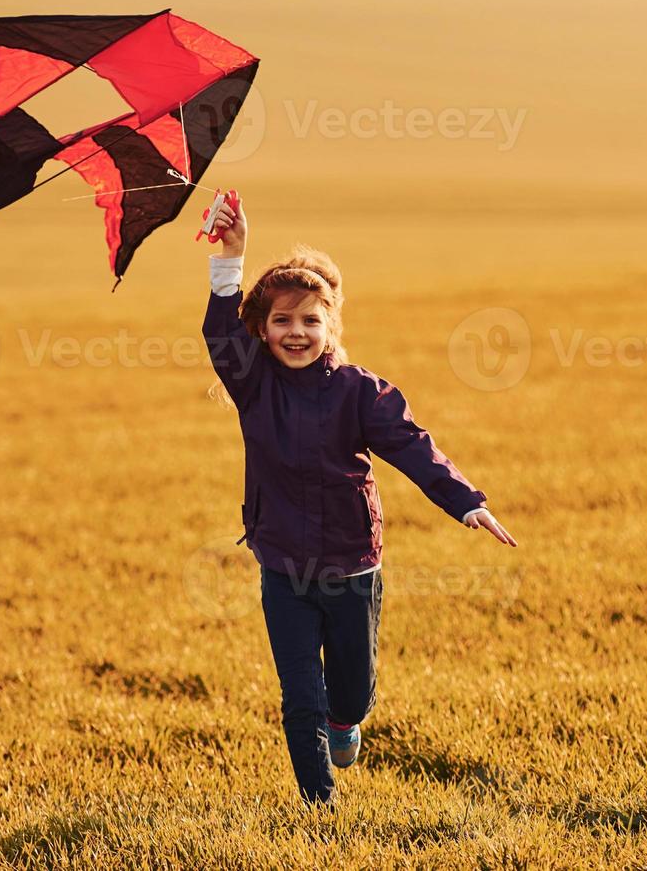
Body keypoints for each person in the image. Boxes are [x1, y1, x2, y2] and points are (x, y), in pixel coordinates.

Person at [199, 192, 519, 806]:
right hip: (284, 565)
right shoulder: (254, 385)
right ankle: (320, 810)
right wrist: (230, 258)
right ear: (262, 333)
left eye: (310, 321)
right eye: (282, 322)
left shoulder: (359, 391)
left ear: (331, 327)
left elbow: (413, 447)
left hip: (352, 564)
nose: (297, 332)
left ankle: (348, 723)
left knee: (351, 692)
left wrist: (465, 500)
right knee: (301, 697)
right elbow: (219, 330)